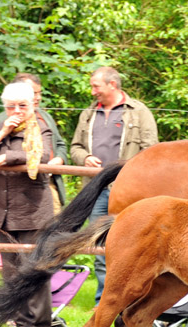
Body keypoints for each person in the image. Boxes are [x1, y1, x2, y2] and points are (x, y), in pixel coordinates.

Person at [71, 66, 158, 306]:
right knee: (101, 246)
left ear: (112, 84)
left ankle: (129, 301)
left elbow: (151, 151)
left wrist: (129, 173)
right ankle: (103, 303)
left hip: (129, 193)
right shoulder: (89, 114)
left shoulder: (139, 112)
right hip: (97, 190)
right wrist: (84, 158)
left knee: (131, 248)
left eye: (96, 86)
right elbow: (75, 147)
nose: (92, 91)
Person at [0, 82, 55, 327]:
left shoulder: (41, 125)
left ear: (32, 104)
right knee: (10, 272)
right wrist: (0, 134)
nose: (17, 110)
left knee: (33, 267)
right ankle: (22, 323)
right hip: (2, 210)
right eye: (11, 106)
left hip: (32, 209)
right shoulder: (0, 125)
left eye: (22, 105)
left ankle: (40, 325)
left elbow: (43, 154)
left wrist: (8, 157)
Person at [0, 73, 67, 214]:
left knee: (53, 230)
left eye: (39, 93)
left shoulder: (44, 117)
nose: (38, 97)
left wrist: (59, 159)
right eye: (33, 92)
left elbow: (60, 144)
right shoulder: (1, 121)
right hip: (16, 190)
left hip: (49, 184)